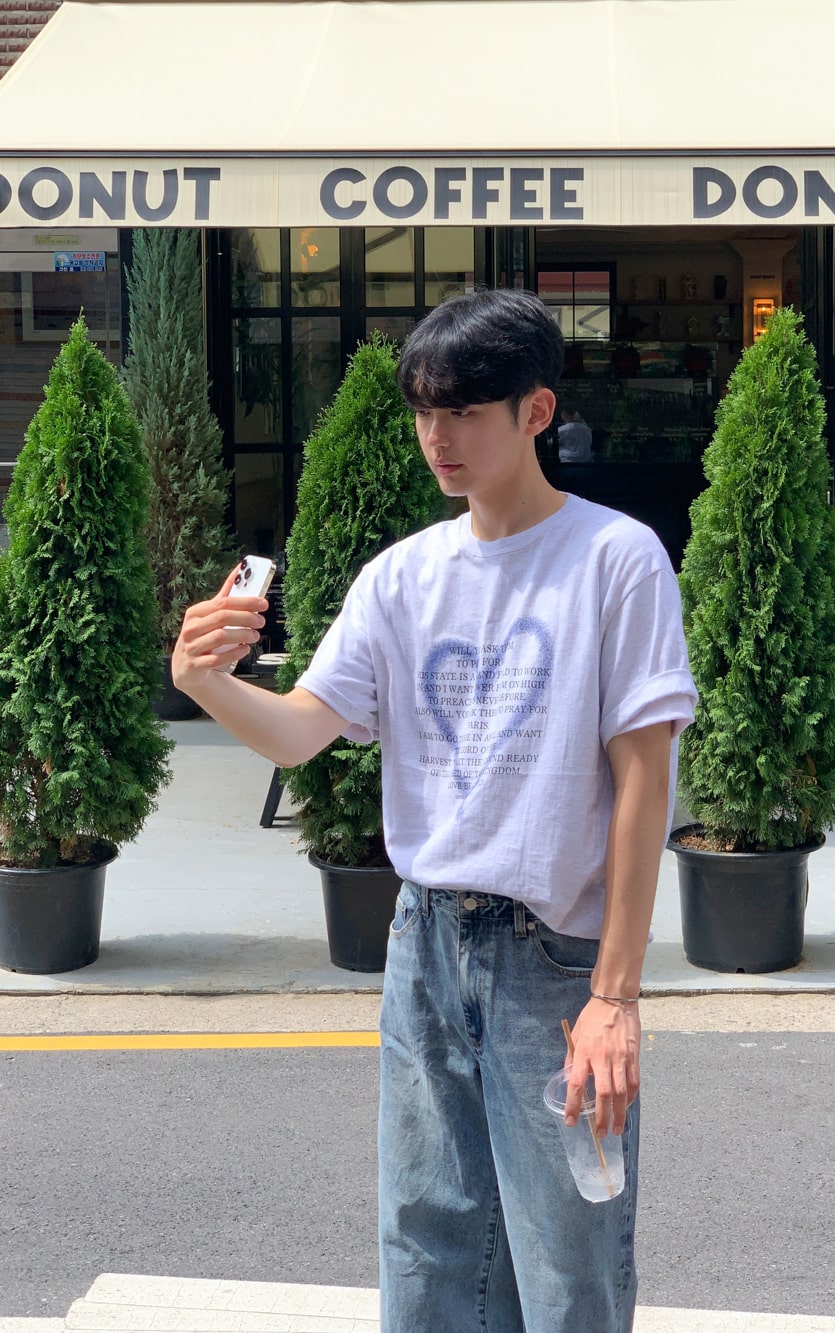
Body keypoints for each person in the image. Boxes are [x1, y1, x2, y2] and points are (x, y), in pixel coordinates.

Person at [171, 289, 697, 1333]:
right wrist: (205, 680)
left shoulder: (615, 558)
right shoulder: (401, 577)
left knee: (568, 1260)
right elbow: (300, 730)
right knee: (426, 1246)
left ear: (535, 411)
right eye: (423, 410)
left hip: (554, 957)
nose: (436, 436)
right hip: (423, 941)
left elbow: (644, 782)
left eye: (462, 410)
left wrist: (617, 994)